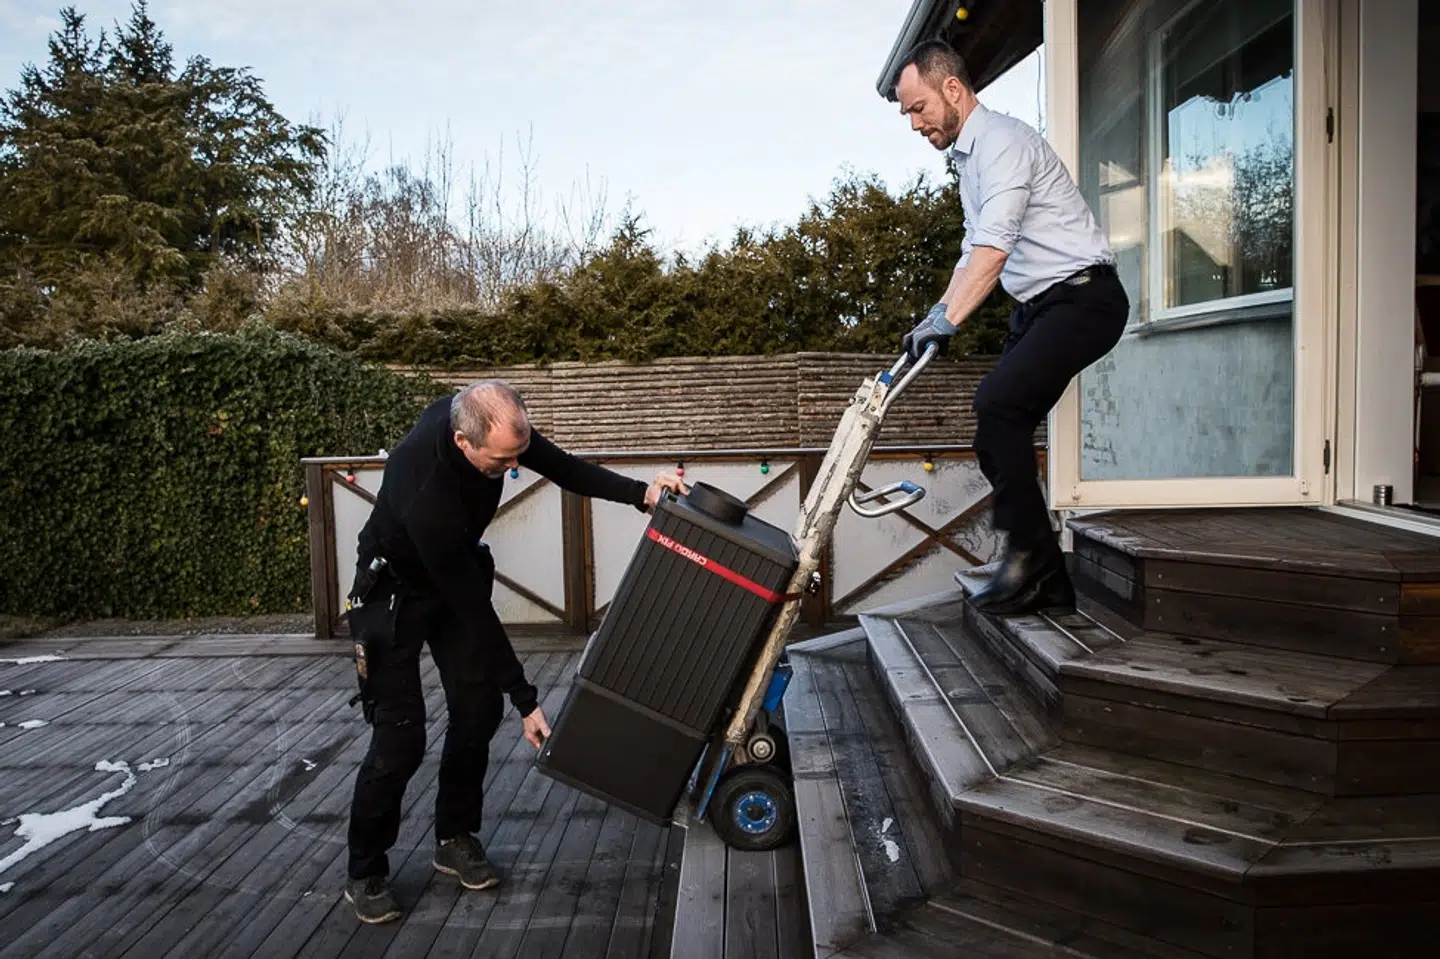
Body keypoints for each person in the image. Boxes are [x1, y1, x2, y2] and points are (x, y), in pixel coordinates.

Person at [341, 379, 685, 924]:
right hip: (394, 597)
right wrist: (527, 698)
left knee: (477, 712)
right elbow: (475, 612)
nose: (512, 468)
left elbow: (566, 469)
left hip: (450, 576)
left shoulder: (494, 424)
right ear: (462, 441)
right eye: (501, 462)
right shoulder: (426, 493)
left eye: (517, 455)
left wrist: (643, 493)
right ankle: (365, 871)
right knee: (400, 740)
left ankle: (454, 837)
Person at [894, 39, 1128, 617]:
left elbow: (994, 250)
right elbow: (971, 253)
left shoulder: (1002, 142)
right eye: (906, 115)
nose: (915, 123)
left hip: (1083, 298)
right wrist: (930, 319)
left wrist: (948, 322)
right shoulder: (968, 158)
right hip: (1040, 307)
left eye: (918, 107)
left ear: (953, 89)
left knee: (998, 405)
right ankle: (1040, 568)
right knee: (994, 426)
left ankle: (1032, 562)